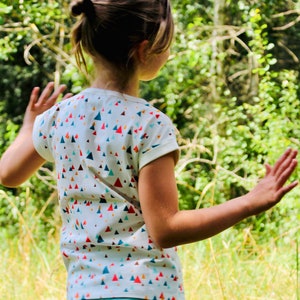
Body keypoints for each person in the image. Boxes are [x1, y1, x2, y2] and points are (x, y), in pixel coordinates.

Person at [0, 0, 298, 299]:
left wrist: (29, 126)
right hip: (146, 290)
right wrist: (250, 202)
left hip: (83, 293)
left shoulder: (58, 118)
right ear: (143, 50)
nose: (169, 52)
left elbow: (8, 174)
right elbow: (166, 228)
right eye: (166, 43)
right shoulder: (148, 123)